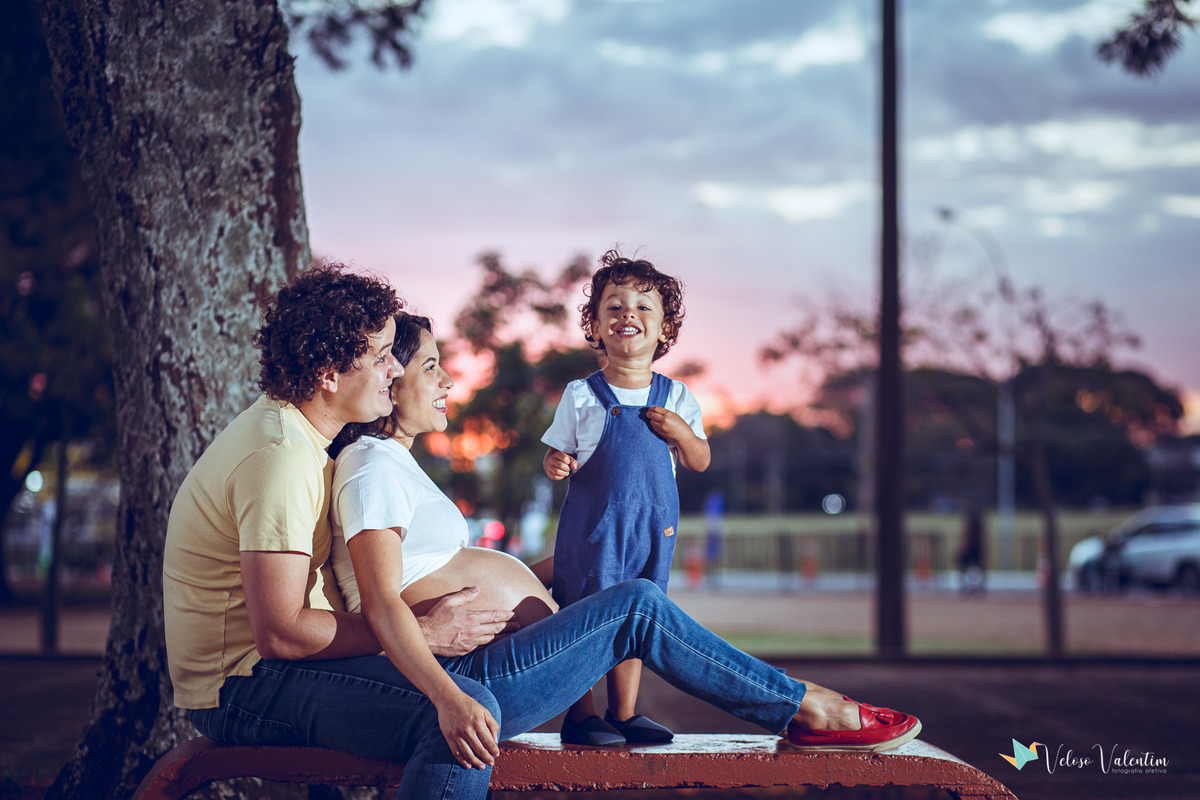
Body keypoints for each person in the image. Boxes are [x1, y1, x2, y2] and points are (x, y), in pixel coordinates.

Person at [330, 312, 923, 769]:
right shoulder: (372, 465)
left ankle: (801, 705)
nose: (448, 379)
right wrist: (449, 700)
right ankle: (808, 708)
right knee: (639, 603)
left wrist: (571, 562)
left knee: (632, 591)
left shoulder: (394, 465)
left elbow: (437, 571)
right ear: (389, 373)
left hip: (495, 664)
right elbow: (382, 602)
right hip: (475, 681)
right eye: (430, 365)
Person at [163, 264, 517, 800]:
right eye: (380, 358)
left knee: (456, 688)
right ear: (328, 372)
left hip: (272, 670)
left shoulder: (303, 441)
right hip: (241, 687)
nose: (393, 372)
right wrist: (416, 633)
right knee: (460, 709)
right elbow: (279, 632)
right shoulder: (280, 459)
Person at [541, 250, 708, 746]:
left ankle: (625, 712)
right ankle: (580, 714)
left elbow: (699, 460)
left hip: (651, 533)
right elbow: (556, 454)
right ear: (594, 324)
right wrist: (556, 464)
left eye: (642, 307)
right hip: (593, 531)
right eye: (613, 307)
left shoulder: (676, 397)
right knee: (581, 617)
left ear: (664, 331)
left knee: (637, 620)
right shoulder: (581, 395)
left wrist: (681, 431)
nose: (627, 315)